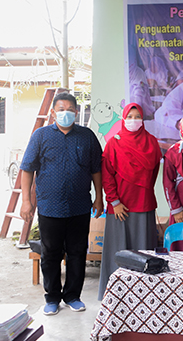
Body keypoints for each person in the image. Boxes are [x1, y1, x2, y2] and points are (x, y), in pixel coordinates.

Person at [19, 92, 103, 316]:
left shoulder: (87, 137)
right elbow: (27, 169)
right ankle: (53, 297)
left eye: (69, 109)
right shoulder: (41, 136)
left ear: (76, 112)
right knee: (51, 254)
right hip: (49, 206)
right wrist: (26, 201)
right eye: (61, 109)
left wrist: (99, 197)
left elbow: (96, 169)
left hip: (79, 206)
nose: (65, 113)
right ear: (53, 112)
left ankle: (73, 296)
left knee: (77, 252)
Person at [99, 103, 162, 300]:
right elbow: (107, 175)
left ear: (142, 119)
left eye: (137, 116)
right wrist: (114, 201)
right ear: (123, 118)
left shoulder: (151, 142)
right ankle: (114, 296)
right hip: (120, 207)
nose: (133, 120)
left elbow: (153, 175)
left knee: (143, 250)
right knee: (118, 250)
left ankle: (144, 295)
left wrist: (145, 194)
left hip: (143, 203)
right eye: (130, 116)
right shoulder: (113, 143)